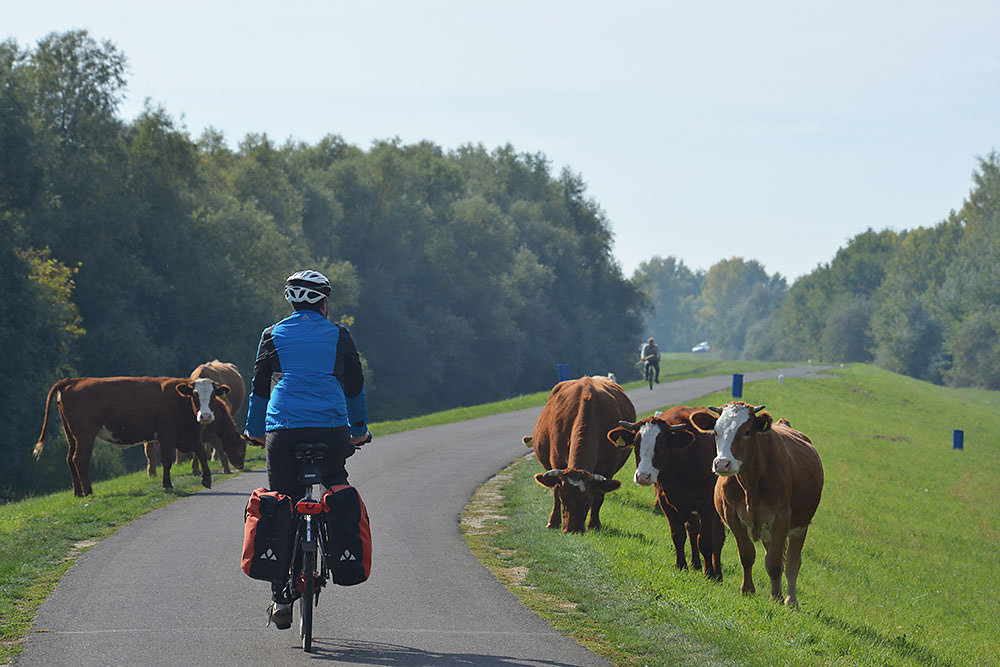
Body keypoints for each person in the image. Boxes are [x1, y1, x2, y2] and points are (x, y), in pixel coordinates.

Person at [244, 269, 371, 630]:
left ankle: (279, 600)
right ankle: (335, 546)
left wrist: (255, 431)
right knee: (334, 483)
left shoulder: (272, 335)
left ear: (291, 301)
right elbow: (355, 389)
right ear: (324, 304)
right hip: (332, 430)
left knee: (280, 501)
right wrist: (358, 432)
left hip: (282, 431)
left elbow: (260, 389)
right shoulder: (339, 335)